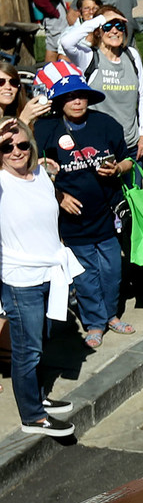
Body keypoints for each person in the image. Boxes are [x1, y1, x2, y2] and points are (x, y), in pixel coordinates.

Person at [33, 70, 135, 349]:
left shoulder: (106, 124)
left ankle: (111, 314)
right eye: (68, 97)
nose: (76, 101)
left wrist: (118, 168)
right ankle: (94, 322)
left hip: (105, 212)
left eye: (81, 95)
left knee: (113, 269)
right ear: (58, 102)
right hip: (72, 220)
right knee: (86, 275)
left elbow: (128, 159)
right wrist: (58, 195)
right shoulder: (45, 130)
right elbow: (33, 172)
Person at [0, 120, 80, 437]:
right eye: (7, 147)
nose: (16, 151)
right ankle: (32, 416)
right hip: (21, 280)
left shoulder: (40, 177)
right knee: (27, 350)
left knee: (40, 343)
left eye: (21, 145)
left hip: (49, 273)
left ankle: (38, 399)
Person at [57, 6, 143, 159]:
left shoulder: (132, 55)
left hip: (131, 146)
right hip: (98, 146)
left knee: (135, 183)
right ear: (98, 31)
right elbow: (66, 42)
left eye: (119, 26)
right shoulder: (88, 57)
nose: (114, 31)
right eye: (108, 26)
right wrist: (100, 19)